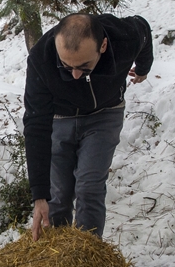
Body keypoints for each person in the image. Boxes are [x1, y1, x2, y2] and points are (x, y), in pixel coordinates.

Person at [23, 13, 153, 240]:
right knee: (59, 194)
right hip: (59, 118)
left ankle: (87, 256)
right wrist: (39, 196)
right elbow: (36, 124)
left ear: (102, 45)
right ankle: (56, 254)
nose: (74, 75)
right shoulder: (41, 57)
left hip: (105, 113)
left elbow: (143, 29)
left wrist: (143, 67)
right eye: (66, 65)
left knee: (89, 187)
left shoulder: (124, 37)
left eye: (84, 66)